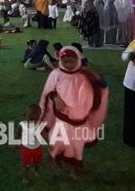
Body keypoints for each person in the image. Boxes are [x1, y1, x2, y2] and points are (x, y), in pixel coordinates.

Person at [38, 46, 109, 179]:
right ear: (60, 61)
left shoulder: (85, 75)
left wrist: (95, 74)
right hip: (62, 119)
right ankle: (56, 162)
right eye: (65, 62)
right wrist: (55, 97)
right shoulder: (56, 74)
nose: (69, 65)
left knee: (77, 146)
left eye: (72, 61)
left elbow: (103, 86)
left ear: (78, 60)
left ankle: (74, 169)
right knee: (58, 143)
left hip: (80, 120)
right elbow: (47, 92)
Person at [17, 104, 43, 184]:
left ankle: (36, 170)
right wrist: (16, 143)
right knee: (26, 165)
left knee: (38, 163)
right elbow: (18, 134)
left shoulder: (39, 126)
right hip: (26, 148)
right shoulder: (22, 124)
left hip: (37, 148)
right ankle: (25, 178)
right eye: (29, 118)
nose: (31, 121)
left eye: (34, 120)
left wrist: (38, 137)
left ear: (38, 118)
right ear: (26, 116)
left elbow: (42, 137)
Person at [122, 39, 135, 146]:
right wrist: (131, 56)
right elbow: (125, 55)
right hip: (132, 84)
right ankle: (130, 138)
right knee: (131, 112)